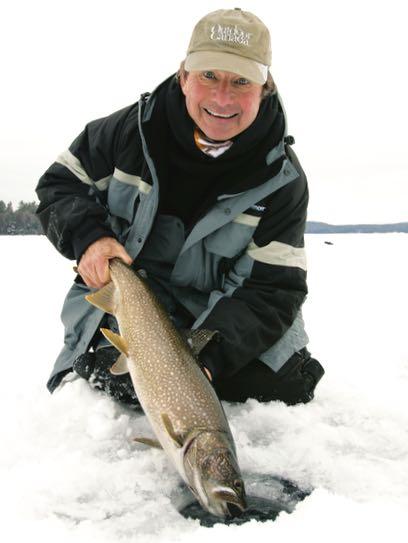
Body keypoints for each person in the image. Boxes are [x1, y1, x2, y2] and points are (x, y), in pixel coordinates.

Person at [36, 8, 324, 407]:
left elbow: (271, 289)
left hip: (216, 311)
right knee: (113, 384)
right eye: (209, 76)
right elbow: (59, 185)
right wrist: (90, 239)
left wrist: (201, 360)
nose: (222, 98)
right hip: (131, 299)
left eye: (241, 81)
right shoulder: (124, 132)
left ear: (265, 89)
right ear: (183, 77)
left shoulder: (283, 181)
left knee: (285, 387)